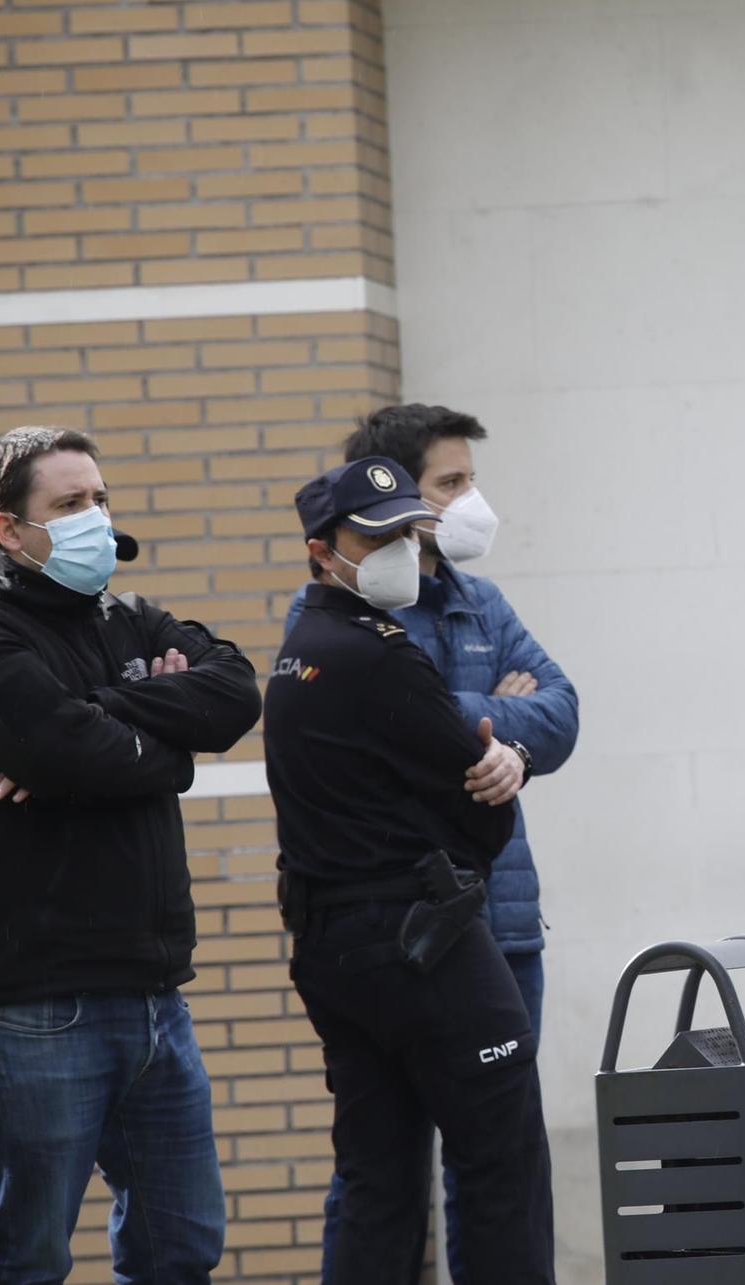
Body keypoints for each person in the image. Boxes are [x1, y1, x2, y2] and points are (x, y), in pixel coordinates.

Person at [289, 405, 580, 1281]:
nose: (464, 505)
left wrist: (504, 745)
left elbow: (561, 712)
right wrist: (485, 731)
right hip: (419, 926)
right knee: (409, 1170)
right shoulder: (351, 630)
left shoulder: (472, 598)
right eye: (447, 486)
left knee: (483, 1156)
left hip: (503, 922)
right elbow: (417, 742)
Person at [0, 426, 261, 1281]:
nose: (96, 516)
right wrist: (161, 737)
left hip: (155, 996)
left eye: (99, 498)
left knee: (181, 1248)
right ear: (8, 531)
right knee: (22, 1256)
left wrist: (111, 708)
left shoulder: (131, 616)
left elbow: (235, 692)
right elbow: (64, 749)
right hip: (33, 1002)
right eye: (68, 504)